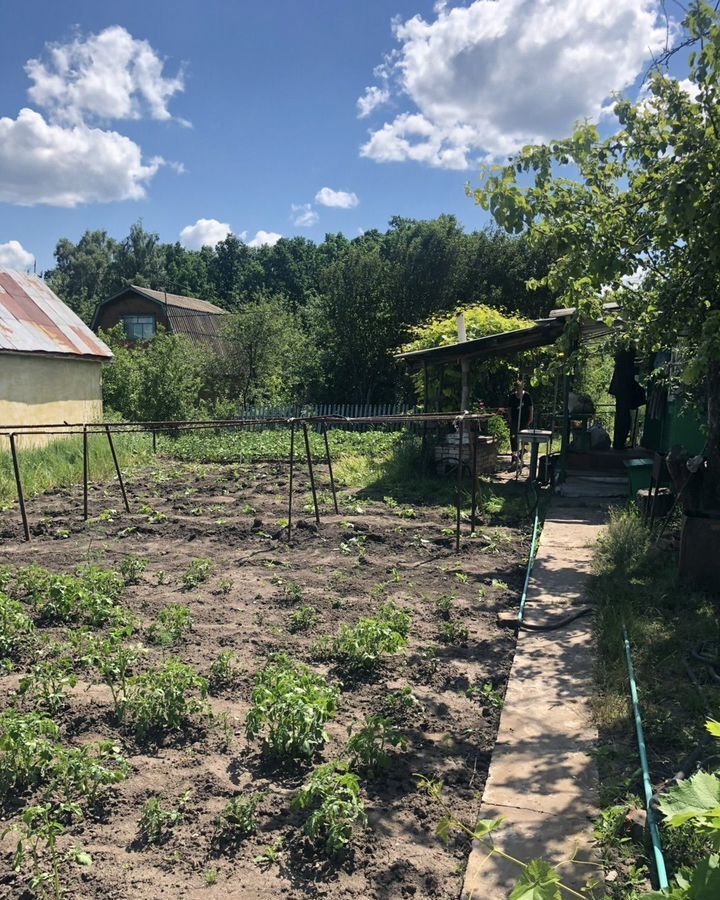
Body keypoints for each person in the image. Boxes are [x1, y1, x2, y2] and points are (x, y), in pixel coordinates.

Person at [609, 349, 646, 450]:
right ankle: (619, 443)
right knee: (624, 419)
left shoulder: (621, 365)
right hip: (624, 391)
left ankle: (619, 442)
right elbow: (629, 378)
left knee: (622, 417)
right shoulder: (625, 366)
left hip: (621, 391)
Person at [508, 380, 534, 458]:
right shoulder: (512, 396)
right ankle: (514, 453)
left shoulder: (526, 396)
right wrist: (510, 418)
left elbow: (531, 407)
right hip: (515, 419)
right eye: (517, 387)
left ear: (522, 387)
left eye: (519, 387)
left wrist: (530, 417)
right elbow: (509, 408)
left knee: (524, 435)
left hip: (524, 419)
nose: (518, 389)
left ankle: (522, 452)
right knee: (513, 436)